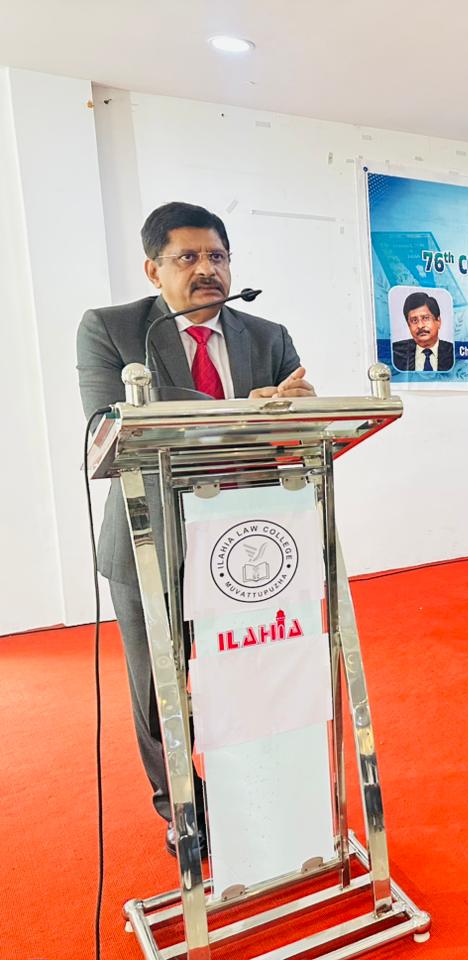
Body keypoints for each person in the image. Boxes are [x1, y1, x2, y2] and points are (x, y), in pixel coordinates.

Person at [76, 201, 315, 855]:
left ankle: (260, 786)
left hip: (250, 543)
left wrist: (296, 413)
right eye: (189, 258)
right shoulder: (113, 329)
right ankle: (183, 805)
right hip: (151, 540)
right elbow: (106, 427)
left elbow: (293, 433)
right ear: (154, 269)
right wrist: (246, 409)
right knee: (161, 686)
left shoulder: (267, 336)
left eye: (218, 256)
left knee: (252, 669)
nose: (207, 269)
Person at [392, 292, 454, 371]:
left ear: (438, 321)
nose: (420, 326)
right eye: (414, 320)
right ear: (409, 325)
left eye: (425, 318)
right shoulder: (395, 353)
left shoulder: (453, 352)